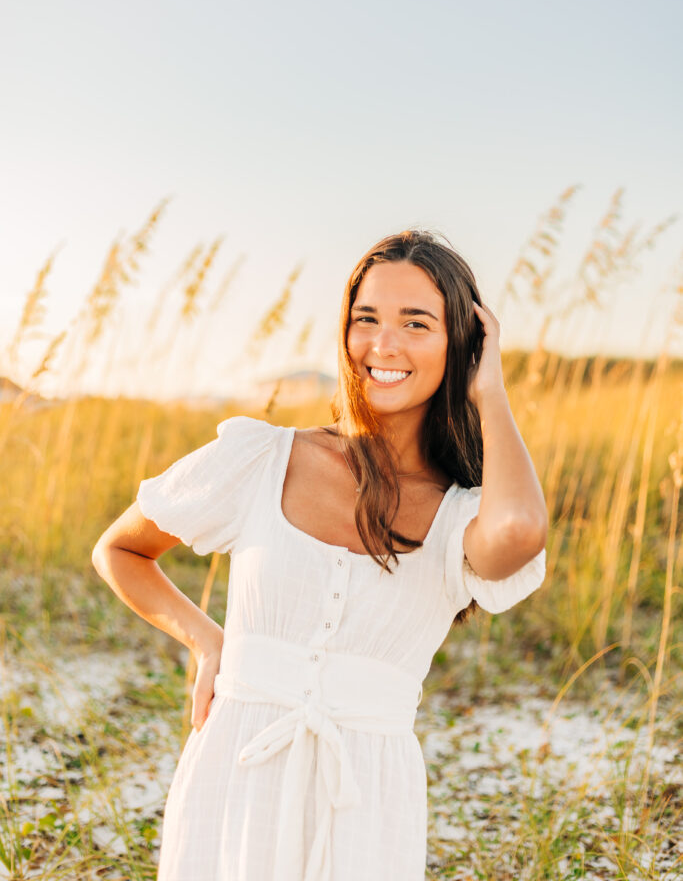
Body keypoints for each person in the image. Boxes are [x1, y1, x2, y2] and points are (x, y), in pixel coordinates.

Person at [92, 228, 548, 881]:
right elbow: (121, 548)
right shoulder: (262, 458)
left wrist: (491, 394)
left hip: (364, 800)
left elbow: (520, 532)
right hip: (236, 777)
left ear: (463, 346)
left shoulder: (458, 516)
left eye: (416, 323)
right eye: (366, 319)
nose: (382, 345)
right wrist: (205, 640)